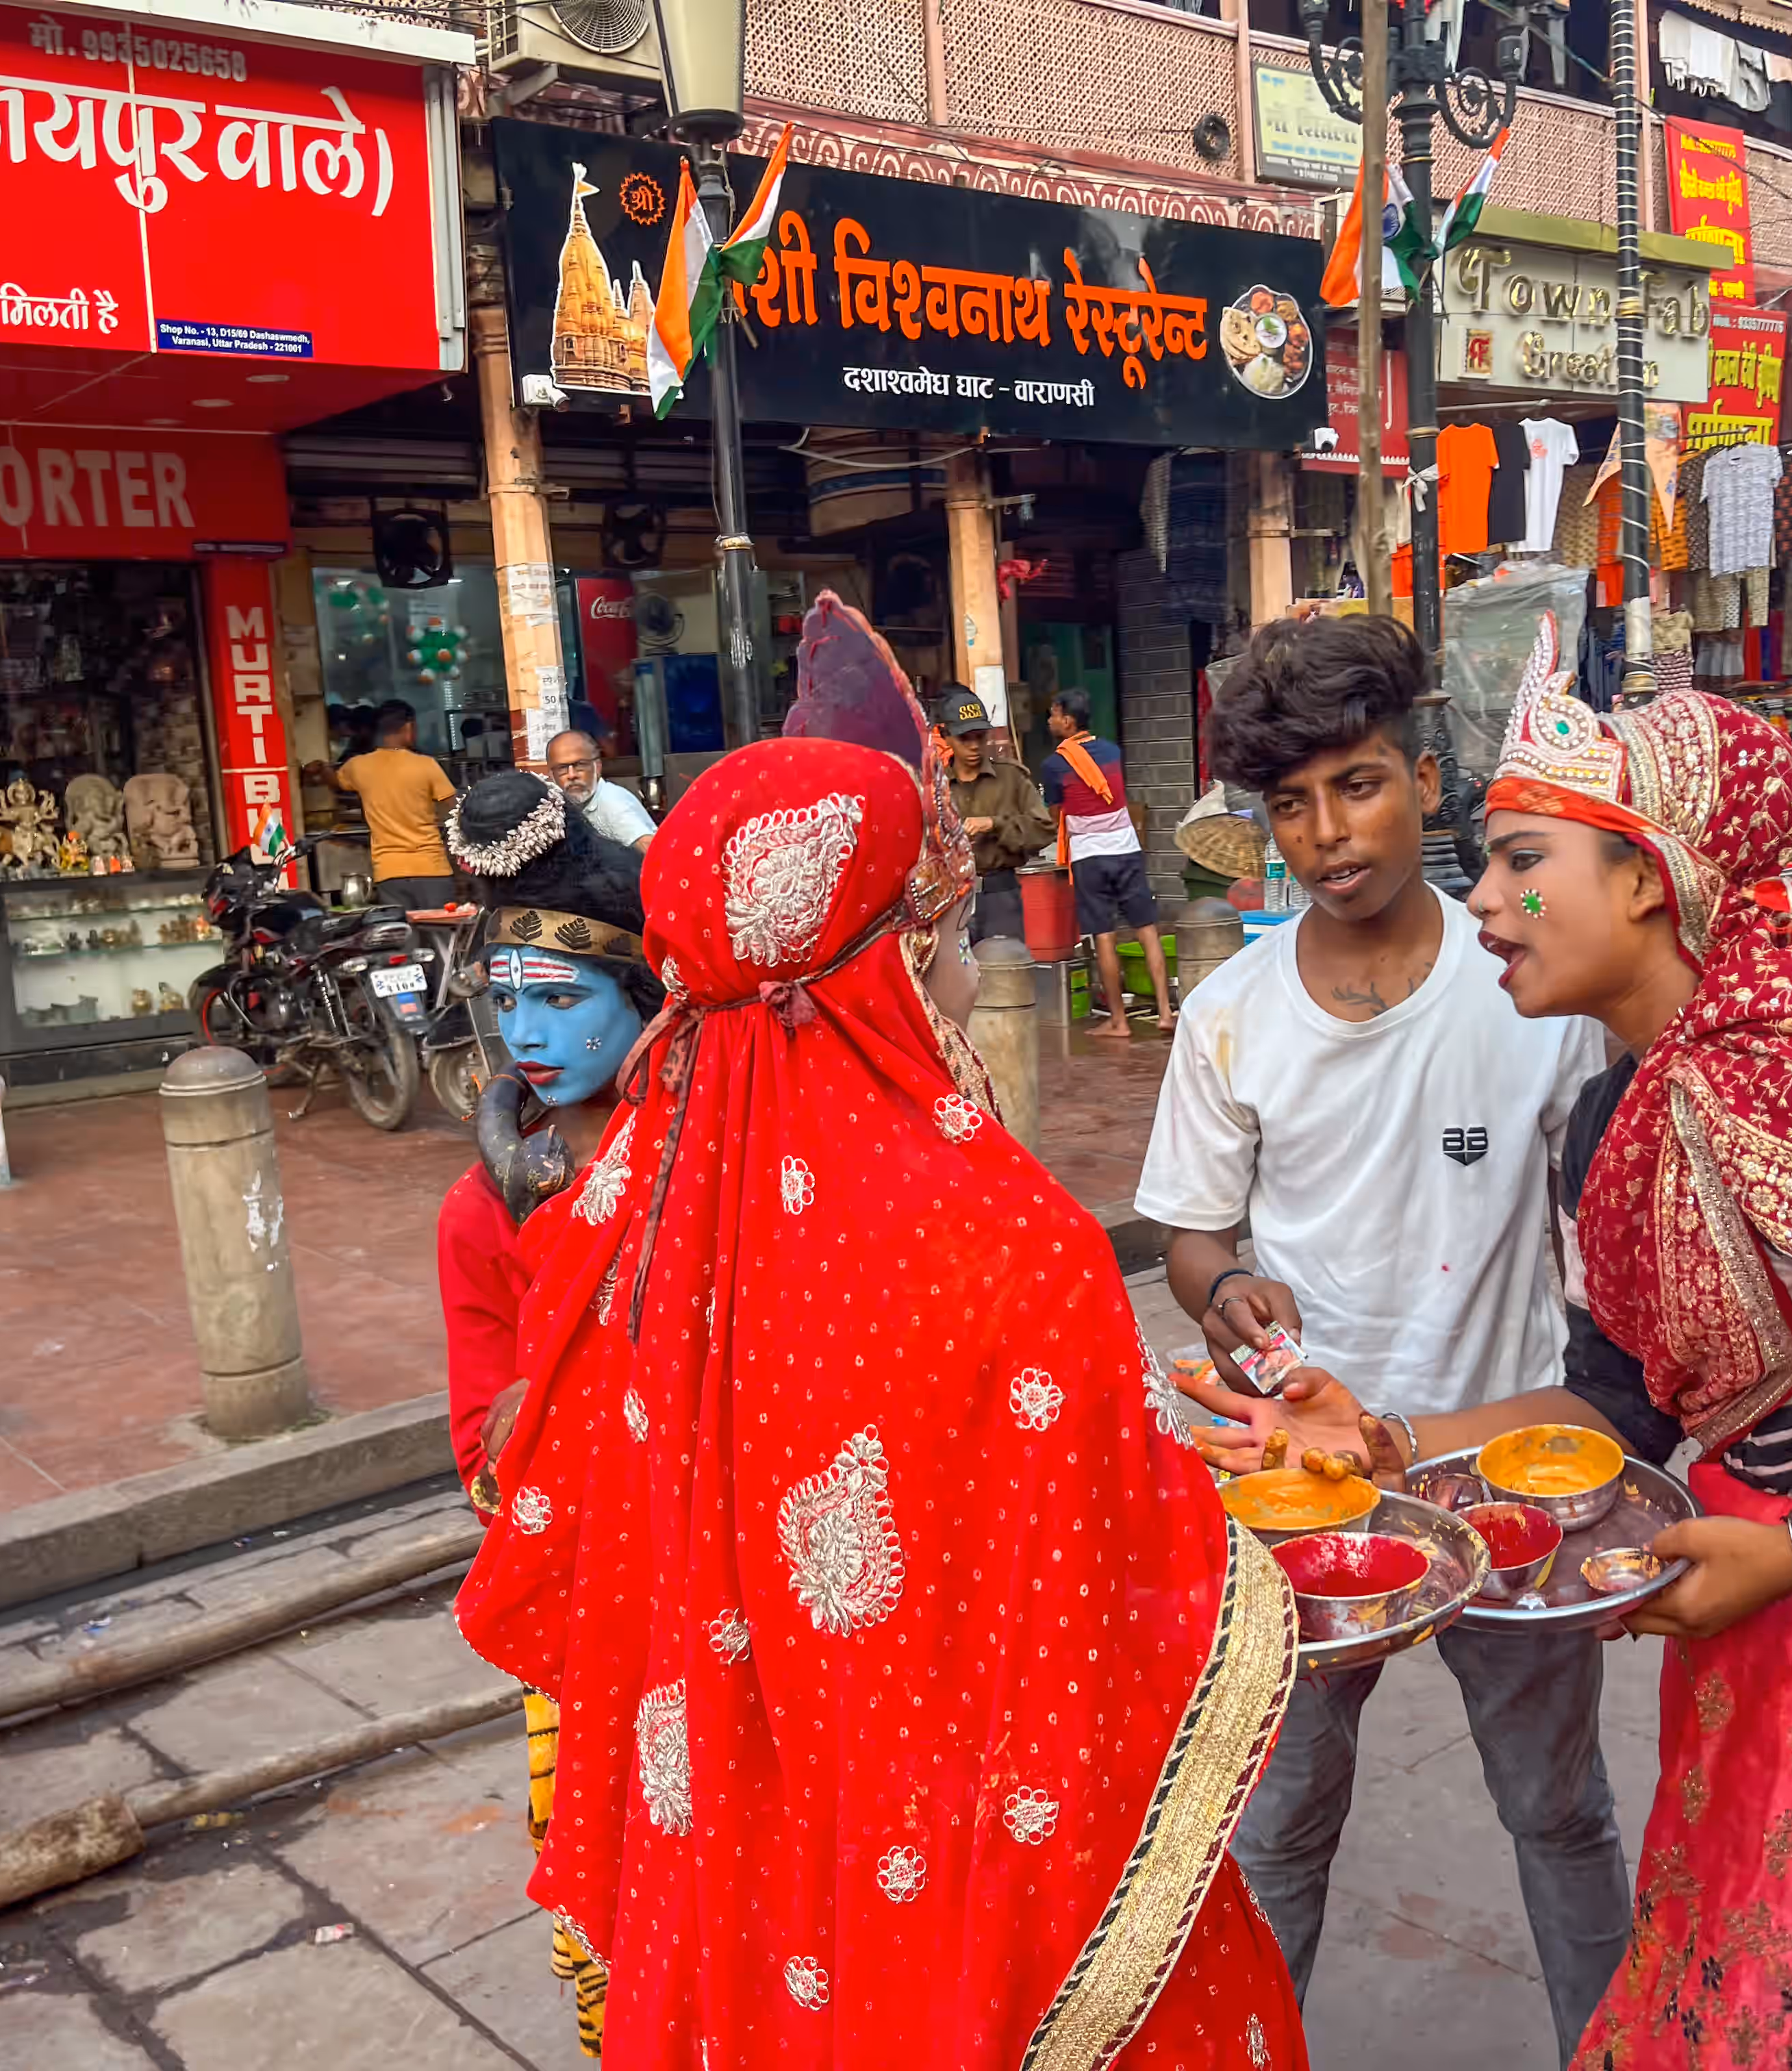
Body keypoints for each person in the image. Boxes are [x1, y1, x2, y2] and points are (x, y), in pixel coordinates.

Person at [453, 592, 1307, 2070]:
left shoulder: (626, 1217)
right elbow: (1102, 1583)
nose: (975, 963)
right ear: (897, 958)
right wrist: (1246, 1493)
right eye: (954, 924)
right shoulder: (999, 1232)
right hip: (971, 1845)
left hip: (740, 1836)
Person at [1251, 626, 1792, 2070]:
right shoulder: (1618, 1117)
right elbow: (1616, 1407)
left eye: (1526, 861)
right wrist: (1390, 1446)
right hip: (1750, 1602)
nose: (1487, 900)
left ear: (1648, 880)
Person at [1148, 612, 1626, 2062]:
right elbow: (1193, 1239)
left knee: (1560, 1810)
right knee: (1280, 1829)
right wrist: (1227, 1301)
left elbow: (1601, 1217)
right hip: (1310, 1491)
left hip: (1507, 1471)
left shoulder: (1532, 991)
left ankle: (1610, 2044)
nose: (1324, 833)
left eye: (1355, 785)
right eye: (1288, 805)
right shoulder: (1232, 1015)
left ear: (1427, 779)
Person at [434, 768, 663, 2057]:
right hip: (569, 1589)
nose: (529, 1028)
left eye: (564, 997)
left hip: (698, 1577)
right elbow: (483, 1442)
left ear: (641, 999)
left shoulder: (706, 1163)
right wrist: (539, 1423)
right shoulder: (486, 1208)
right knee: (597, 1898)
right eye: (508, 999)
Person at [1043, 687, 1175, 1038]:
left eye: (1054, 714)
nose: (1050, 720)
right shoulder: (1113, 752)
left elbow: (1057, 811)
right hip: (1127, 850)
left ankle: (1118, 1021)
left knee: (1104, 936)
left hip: (1090, 858)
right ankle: (1165, 1011)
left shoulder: (1055, 764)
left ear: (1068, 720)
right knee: (1147, 930)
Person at [301, 700, 458, 907]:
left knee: (403, 933)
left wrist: (322, 768)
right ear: (409, 728)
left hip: (389, 872)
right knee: (443, 934)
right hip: (432, 868)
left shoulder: (358, 766)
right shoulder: (426, 765)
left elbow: (334, 781)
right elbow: (455, 809)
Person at [933, 684, 1052, 946]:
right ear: (946, 735)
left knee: (1006, 975)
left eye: (980, 736)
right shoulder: (935, 787)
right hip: (951, 898)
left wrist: (995, 824)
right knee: (954, 980)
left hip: (1000, 894)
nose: (975, 746)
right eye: (965, 738)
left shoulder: (1011, 778)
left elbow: (1044, 828)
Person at [544, 727, 658, 852]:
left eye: (580, 765)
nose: (572, 775)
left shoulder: (613, 803)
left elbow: (652, 850)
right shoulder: (558, 805)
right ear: (552, 776)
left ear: (597, 768)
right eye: (562, 768)